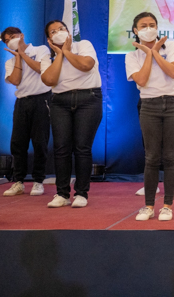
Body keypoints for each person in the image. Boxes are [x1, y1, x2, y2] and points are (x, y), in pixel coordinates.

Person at [126, 12, 174, 221]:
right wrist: (148, 54)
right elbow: (141, 80)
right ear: (136, 30)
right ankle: (149, 206)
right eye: (144, 25)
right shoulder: (132, 56)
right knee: (151, 157)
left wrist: (155, 52)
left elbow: (172, 72)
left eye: (152, 24)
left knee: (170, 156)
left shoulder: (171, 46)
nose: (149, 28)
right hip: (150, 105)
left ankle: (167, 205)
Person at [40, 21, 103, 208]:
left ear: (68, 32)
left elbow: (86, 65)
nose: (58, 32)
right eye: (53, 31)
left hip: (88, 99)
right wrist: (58, 54)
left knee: (82, 147)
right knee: (61, 148)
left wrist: (66, 51)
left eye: (62, 29)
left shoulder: (83, 45)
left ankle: (81, 193)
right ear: (49, 39)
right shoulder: (47, 57)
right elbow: (49, 80)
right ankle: (62, 193)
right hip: (60, 102)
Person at [0, 27, 52, 197]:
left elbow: (41, 69)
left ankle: (38, 181)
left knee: (40, 142)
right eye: (7, 40)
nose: (10, 41)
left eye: (13, 37)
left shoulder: (40, 49)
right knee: (18, 143)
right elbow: (15, 80)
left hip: (41, 99)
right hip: (22, 102)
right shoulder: (9, 62)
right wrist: (17, 59)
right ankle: (18, 181)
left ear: (21, 35)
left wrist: (23, 54)